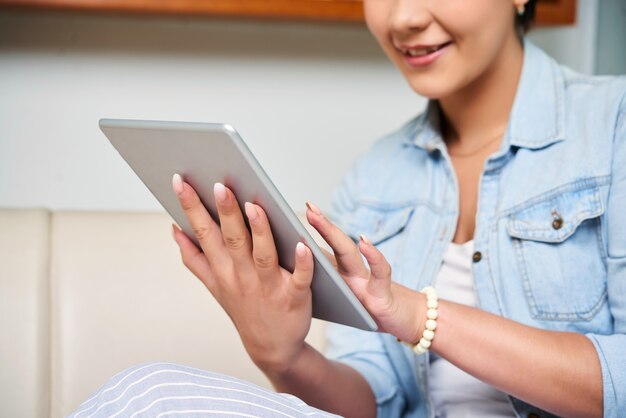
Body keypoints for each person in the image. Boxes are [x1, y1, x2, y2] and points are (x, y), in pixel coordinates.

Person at [70, 0, 626, 417]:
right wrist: (284, 357)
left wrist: (418, 315)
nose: (403, 17)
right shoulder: (378, 174)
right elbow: (373, 402)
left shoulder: (614, 126)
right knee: (151, 394)